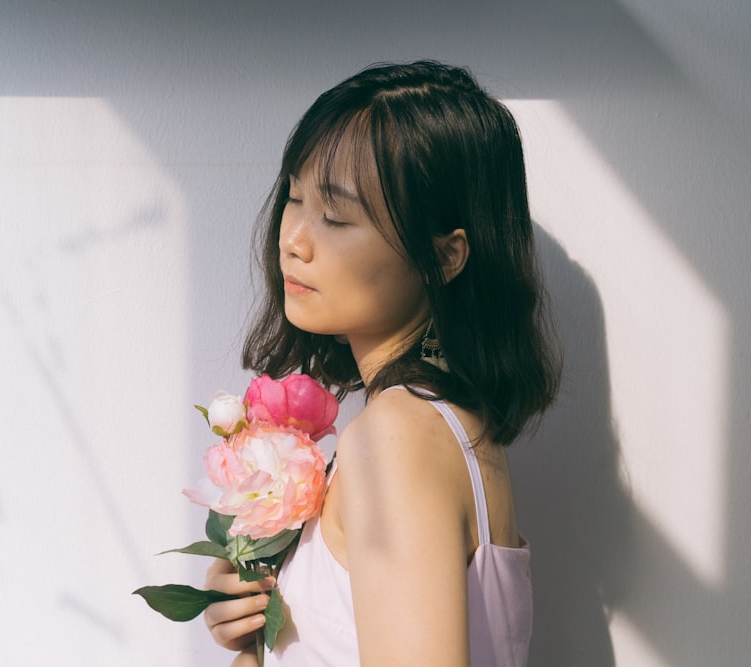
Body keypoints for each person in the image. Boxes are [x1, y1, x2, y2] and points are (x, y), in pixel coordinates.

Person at [202, 60, 560, 666]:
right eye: (294, 196)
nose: (294, 239)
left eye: (337, 216)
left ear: (445, 257)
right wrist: (260, 621)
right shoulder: (450, 430)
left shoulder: (395, 438)